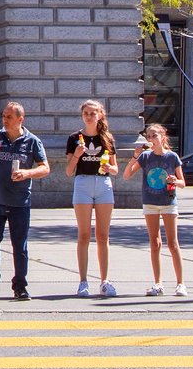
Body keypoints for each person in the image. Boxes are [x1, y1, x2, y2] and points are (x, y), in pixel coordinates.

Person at [0, 102, 49, 300]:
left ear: (20, 120)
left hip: (19, 202)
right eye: (4, 116)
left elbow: (45, 168)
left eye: (9, 116)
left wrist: (27, 173)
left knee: (20, 245)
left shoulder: (32, 141)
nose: (5, 120)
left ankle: (20, 285)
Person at [125, 123, 186, 296]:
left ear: (162, 136)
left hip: (168, 201)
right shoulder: (145, 157)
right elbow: (127, 175)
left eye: (154, 135)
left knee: (173, 243)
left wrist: (174, 180)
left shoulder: (172, 157)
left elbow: (182, 183)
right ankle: (158, 283)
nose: (151, 139)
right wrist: (134, 157)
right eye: (148, 136)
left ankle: (180, 283)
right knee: (154, 243)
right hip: (150, 201)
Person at [65, 99, 118, 298]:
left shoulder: (107, 138)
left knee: (103, 236)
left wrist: (109, 168)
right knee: (84, 234)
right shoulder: (74, 138)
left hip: (103, 184)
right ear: (82, 116)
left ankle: (105, 281)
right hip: (83, 184)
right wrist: (78, 155)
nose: (89, 116)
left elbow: (115, 169)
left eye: (93, 113)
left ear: (100, 115)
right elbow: (69, 171)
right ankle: (83, 281)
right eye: (86, 113)